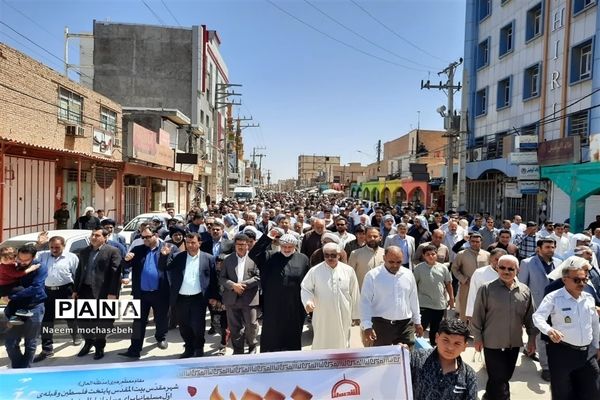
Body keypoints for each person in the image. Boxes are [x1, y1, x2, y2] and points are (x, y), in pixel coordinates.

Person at [470, 255, 537, 400]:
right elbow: (477, 317)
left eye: (510, 269)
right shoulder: (486, 289)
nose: (506, 271)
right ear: (496, 268)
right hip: (492, 343)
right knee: (499, 378)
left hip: (514, 344)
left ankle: (488, 396)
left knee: (504, 376)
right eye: (502, 268)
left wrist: (532, 339)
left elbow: (530, 318)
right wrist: (477, 338)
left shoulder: (524, 291)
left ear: (517, 270)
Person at [533, 258, 600, 400]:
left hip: (587, 354)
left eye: (584, 280)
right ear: (565, 280)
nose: (582, 284)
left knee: (592, 392)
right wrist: (549, 330)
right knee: (562, 394)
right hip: (562, 353)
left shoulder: (588, 298)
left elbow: (594, 323)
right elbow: (537, 317)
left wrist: (597, 345)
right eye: (577, 280)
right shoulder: (554, 297)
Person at [118, 227, 177, 359]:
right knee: (138, 321)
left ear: (155, 235)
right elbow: (126, 265)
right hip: (141, 293)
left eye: (148, 237)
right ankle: (135, 348)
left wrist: (165, 256)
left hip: (161, 292)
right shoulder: (138, 249)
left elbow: (172, 267)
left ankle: (161, 337)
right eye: (142, 237)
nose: (144, 239)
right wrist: (126, 259)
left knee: (161, 318)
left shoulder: (169, 247)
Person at [249, 229, 310, 352]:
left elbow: (307, 282)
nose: (287, 249)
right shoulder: (270, 256)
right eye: (284, 246)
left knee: (292, 335)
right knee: (272, 335)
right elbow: (253, 254)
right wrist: (268, 237)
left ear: (295, 246)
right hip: (273, 305)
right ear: (280, 245)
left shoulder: (303, 259)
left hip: (294, 305)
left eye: (290, 247)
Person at [162, 232, 219, 358]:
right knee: (184, 326)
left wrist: (214, 297)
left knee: (198, 326)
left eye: (193, 242)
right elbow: (164, 267)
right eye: (188, 243)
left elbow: (213, 279)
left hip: (199, 298)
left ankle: (199, 348)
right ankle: (188, 348)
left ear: (199, 243)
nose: (190, 245)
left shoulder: (208, 258)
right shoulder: (179, 257)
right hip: (181, 298)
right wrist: (164, 256)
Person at [73, 227, 122, 360]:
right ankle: (88, 342)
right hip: (84, 290)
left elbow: (115, 275)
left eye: (97, 235)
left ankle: (99, 346)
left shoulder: (112, 251)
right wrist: (75, 290)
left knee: (102, 322)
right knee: (82, 320)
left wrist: (113, 293)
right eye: (92, 235)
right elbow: (79, 272)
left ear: (105, 238)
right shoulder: (84, 252)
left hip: (103, 292)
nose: (93, 237)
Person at [360, 246, 423, 348]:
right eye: (391, 262)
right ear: (384, 258)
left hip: (405, 325)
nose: (395, 265)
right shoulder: (372, 276)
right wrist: (367, 326)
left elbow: (413, 299)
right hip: (381, 325)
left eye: (398, 262)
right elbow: (365, 302)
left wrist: (417, 322)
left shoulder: (408, 274)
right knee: (382, 359)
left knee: (407, 358)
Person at [301, 242, 360, 350]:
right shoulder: (315, 271)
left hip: (343, 312)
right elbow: (305, 288)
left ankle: (341, 361)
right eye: (326, 255)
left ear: (339, 255)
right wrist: (308, 301)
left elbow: (354, 292)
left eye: (333, 255)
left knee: (342, 341)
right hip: (322, 313)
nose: (329, 258)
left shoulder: (348, 270)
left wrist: (356, 314)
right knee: (322, 340)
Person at [33, 237, 81, 362]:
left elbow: (77, 275)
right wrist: (38, 245)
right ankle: (47, 349)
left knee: (70, 316)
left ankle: (76, 335)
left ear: (63, 246)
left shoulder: (72, 257)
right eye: (51, 247)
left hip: (66, 290)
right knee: (46, 320)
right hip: (47, 291)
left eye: (57, 247)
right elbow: (28, 258)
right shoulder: (42, 255)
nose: (54, 250)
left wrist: (76, 292)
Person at [518, 238, 560, 373]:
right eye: (547, 247)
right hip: (535, 304)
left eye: (552, 247)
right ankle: (546, 368)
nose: (551, 250)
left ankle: (530, 350)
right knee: (539, 334)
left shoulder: (559, 263)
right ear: (539, 249)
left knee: (545, 334)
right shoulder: (527, 263)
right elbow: (522, 286)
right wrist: (523, 307)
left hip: (555, 306)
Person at [410, 318, 478, 400]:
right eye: (446, 340)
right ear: (436, 338)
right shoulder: (416, 359)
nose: (450, 347)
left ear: (464, 346)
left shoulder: (469, 376)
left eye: (457, 343)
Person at [3, 245, 48, 368]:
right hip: (15, 309)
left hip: (34, 307)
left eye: (25, 260)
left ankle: (25, 369)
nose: (21, 263)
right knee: (10, 342)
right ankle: (18, 368)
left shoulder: (40, 267)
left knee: (30, 342)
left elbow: (36, 288)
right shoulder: (12, 265)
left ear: (33, 258)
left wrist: (12, 296)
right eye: (20, 259)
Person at [219, 233, 260, 355]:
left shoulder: (255, 258)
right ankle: (238, 349)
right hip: (232, 298)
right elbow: (222, 278)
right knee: (234, 326)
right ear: (235, 245)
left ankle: (252, 345)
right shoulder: (228, 259)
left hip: (249, 298)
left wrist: (242, 285)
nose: (241, 247)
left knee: (251, 325)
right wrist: (233, 286)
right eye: (238, 245)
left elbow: (258, 277)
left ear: (248, 245)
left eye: (243, 245)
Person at [413, 244, 454, 346]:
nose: (431, 256)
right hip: (424, 304)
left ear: (436, 255)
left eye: (433, 254)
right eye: (428, 254)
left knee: (436, 331)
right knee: (420, 329)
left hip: (439, 304)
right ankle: (416, 351)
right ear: (423, 256)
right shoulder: (418, 268)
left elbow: (448, 283)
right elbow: (413, 286)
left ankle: (433, 350)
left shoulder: (443, 268)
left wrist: (452, 298)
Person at [451, 233, 490, 321]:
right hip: (466, 286)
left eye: (477, 242)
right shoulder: (462, 254)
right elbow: (454, 269)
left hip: (482, 287)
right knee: (464, 309)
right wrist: (463, 279)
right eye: (472, 241)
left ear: (481, 242)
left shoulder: (487, 255)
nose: (475, 243)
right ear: (469, 241)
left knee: (482, 308)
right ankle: (464, 329)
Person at [0, 247, 40, 325]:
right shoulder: (4, 267)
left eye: (11, 259)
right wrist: (31, 268)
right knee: (23, 291)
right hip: (5, 287)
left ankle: (14, 315)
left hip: (10, 285)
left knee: (16, 298)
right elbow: (17, 274)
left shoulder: (11, 264)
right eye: (5, 259)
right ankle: (20, 310)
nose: (8, 261)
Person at [465, 248, 505, 319]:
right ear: (490, 259)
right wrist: (470, 314)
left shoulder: (509, 274)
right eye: (496, 259)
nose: (499, 263)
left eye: (502, 260)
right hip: (484, 312)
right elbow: (473, 294)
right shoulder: (479, 273)